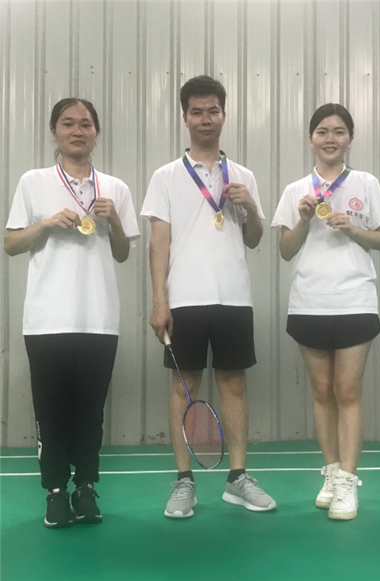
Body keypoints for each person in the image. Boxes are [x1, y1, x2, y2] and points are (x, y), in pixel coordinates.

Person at [141, 75, 276, 518]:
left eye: (212, 111)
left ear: (224, 114)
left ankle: (238, 478)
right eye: (196, 111)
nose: (205, 119)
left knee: (234, 385)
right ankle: (184, 481)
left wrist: (250, 206)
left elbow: (254, 238)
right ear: (185, 117)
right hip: (184, 299)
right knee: (185, 387)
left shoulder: (243, 176)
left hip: (234, 297)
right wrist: (159, 301)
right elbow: (158, 242)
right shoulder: (165, 176)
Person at [4, 98, 140, 528]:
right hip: (47, 319)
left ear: (96, 133)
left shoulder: (114, 188)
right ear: (54, 132)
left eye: (85, 124)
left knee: (90, 412)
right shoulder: (33, 182)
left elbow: (123, 253)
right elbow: (10, 243)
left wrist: (114, 221)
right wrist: (45, 224)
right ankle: (55, 492)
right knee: (51, 412)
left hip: (99, 318)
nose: (77, 131)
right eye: (68, 123)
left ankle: (85, 487)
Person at [271, 103, 380, 520]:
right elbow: (286, 251)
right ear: (311, 138)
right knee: (322, 391)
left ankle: (348, 481)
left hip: (355, 300)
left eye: (339, 131)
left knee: (348, 391)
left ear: (350, 139)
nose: (330, 138)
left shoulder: (365, 183)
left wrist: (353, 228)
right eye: (322, 131)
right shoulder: (295, 191)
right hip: (310, 302)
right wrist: (304, 220)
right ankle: (331, 471)